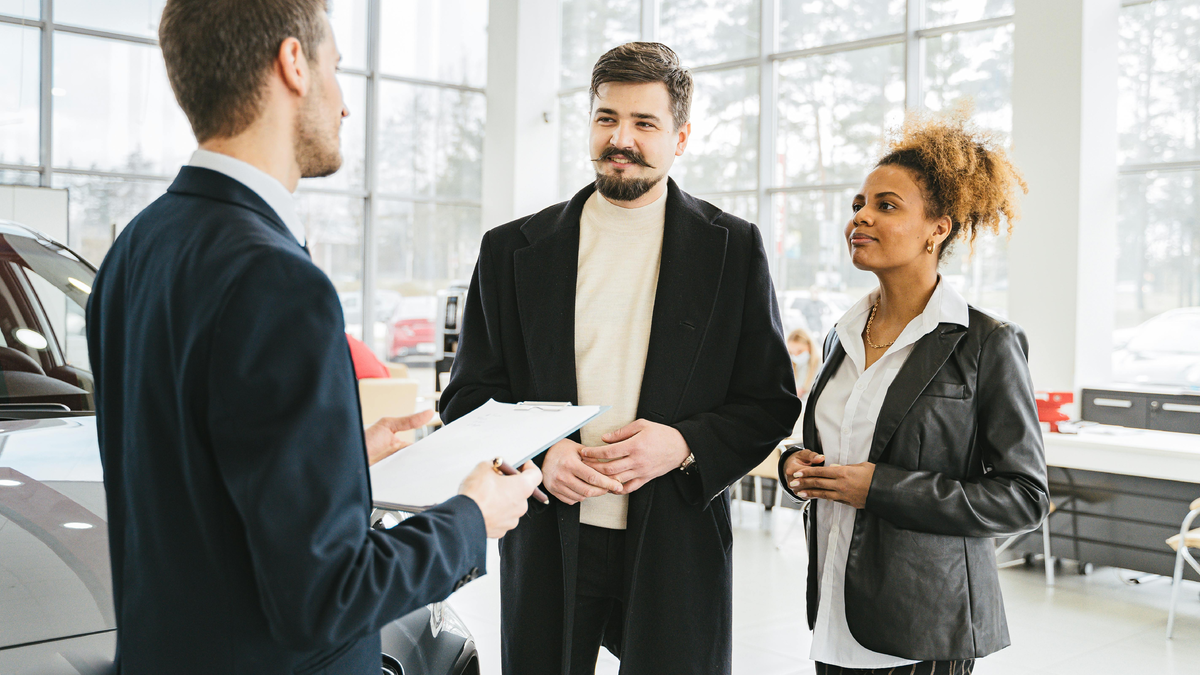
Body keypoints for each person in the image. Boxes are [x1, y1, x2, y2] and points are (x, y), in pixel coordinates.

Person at [86, 2, 540, 673]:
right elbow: (325, 597)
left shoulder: (137, 248)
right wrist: (473, 515)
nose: (345, 104)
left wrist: (340, 463)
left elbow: (186, 486)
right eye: (336, 68)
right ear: (293, 63)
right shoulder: (276, 279)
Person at [441, 42, 800, 675]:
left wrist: (683, 445)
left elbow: (768, 401)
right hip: (550, 536)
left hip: (675, 541)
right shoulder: (510, 251)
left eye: (644, 123)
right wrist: (537, 455)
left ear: (680, 136)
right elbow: (467, 395)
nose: (621, 139)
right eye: (607, 118)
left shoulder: (733, 249)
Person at [777, 104, 1049, 675]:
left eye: (886, 206)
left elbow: (1024, 496)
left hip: (925, 620)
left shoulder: (985, 343)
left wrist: (882, 489)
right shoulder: (841, 335)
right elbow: (836, 447)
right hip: (837, 607)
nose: (861, 218)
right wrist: (796, 468)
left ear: (938, 228)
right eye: (858, 204)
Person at [786, 327, 819, 399]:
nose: (796, 356)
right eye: (792, 352)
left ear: (809, 345)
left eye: (799, 351)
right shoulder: (792, 367)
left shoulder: (821, 364)